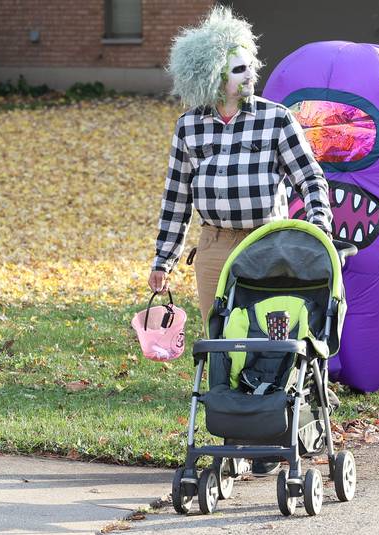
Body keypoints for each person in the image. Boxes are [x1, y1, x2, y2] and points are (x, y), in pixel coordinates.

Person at [147, 6, 332, 475]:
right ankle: (233, 433)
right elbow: (176, 198)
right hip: (212, 247)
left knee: (271, 337)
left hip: (267, 246)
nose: (250, 74)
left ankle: (273, 429)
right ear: (210, 74)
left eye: (251, 63)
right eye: (237, 68)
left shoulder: (276, 119)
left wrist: (318, 233)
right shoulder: (190, 126)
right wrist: (163, 260)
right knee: (222, 341)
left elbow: (311, 181)